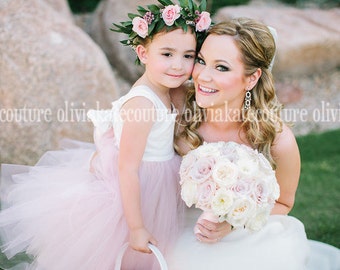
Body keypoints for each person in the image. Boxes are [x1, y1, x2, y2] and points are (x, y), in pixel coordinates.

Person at [0, 0, 211, 269]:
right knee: (120, 253)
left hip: (157, 179)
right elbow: (128, 168)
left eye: (188, 56)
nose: (178, 66)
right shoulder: (142, 104)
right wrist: (136, 227)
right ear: (143, 53)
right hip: (137, 189)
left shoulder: (167, 89)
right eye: (167, 54)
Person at [166, 17, 311, 270]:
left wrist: (233, 221)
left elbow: (284, 203)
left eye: (221, 67)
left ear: (252, 77)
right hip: (173, 223)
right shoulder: (175, 104)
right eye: (201, 61)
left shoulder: (276, 138)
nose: (202, 76)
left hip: (244, 234)